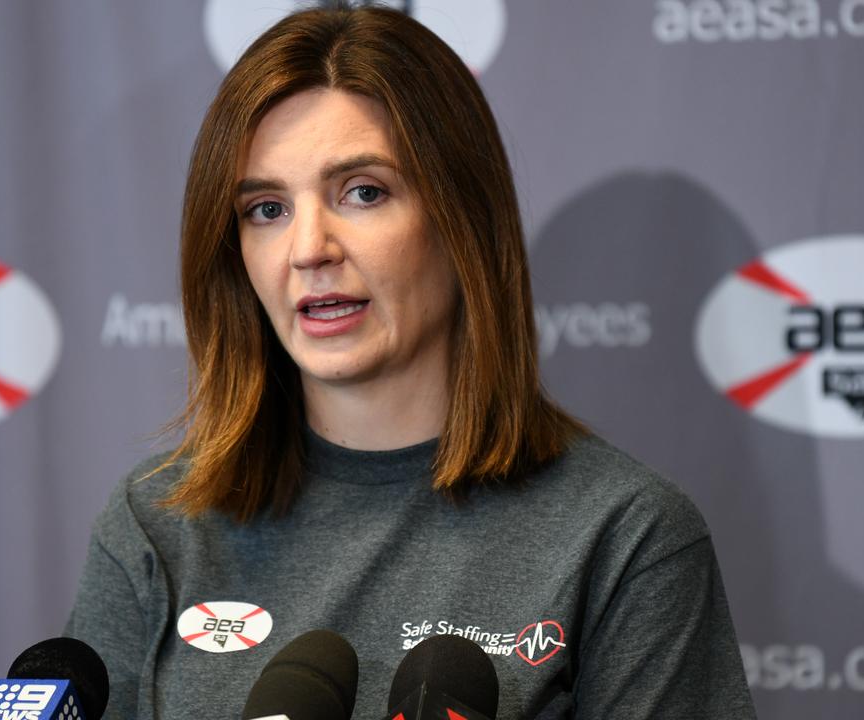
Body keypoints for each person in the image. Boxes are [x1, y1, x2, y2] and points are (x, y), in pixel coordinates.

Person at [66, 6, 756, 719]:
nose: (309, 249)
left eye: (363, 193)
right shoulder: (156, 524)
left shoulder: (624, 537)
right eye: (267, 209)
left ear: (464, 222)